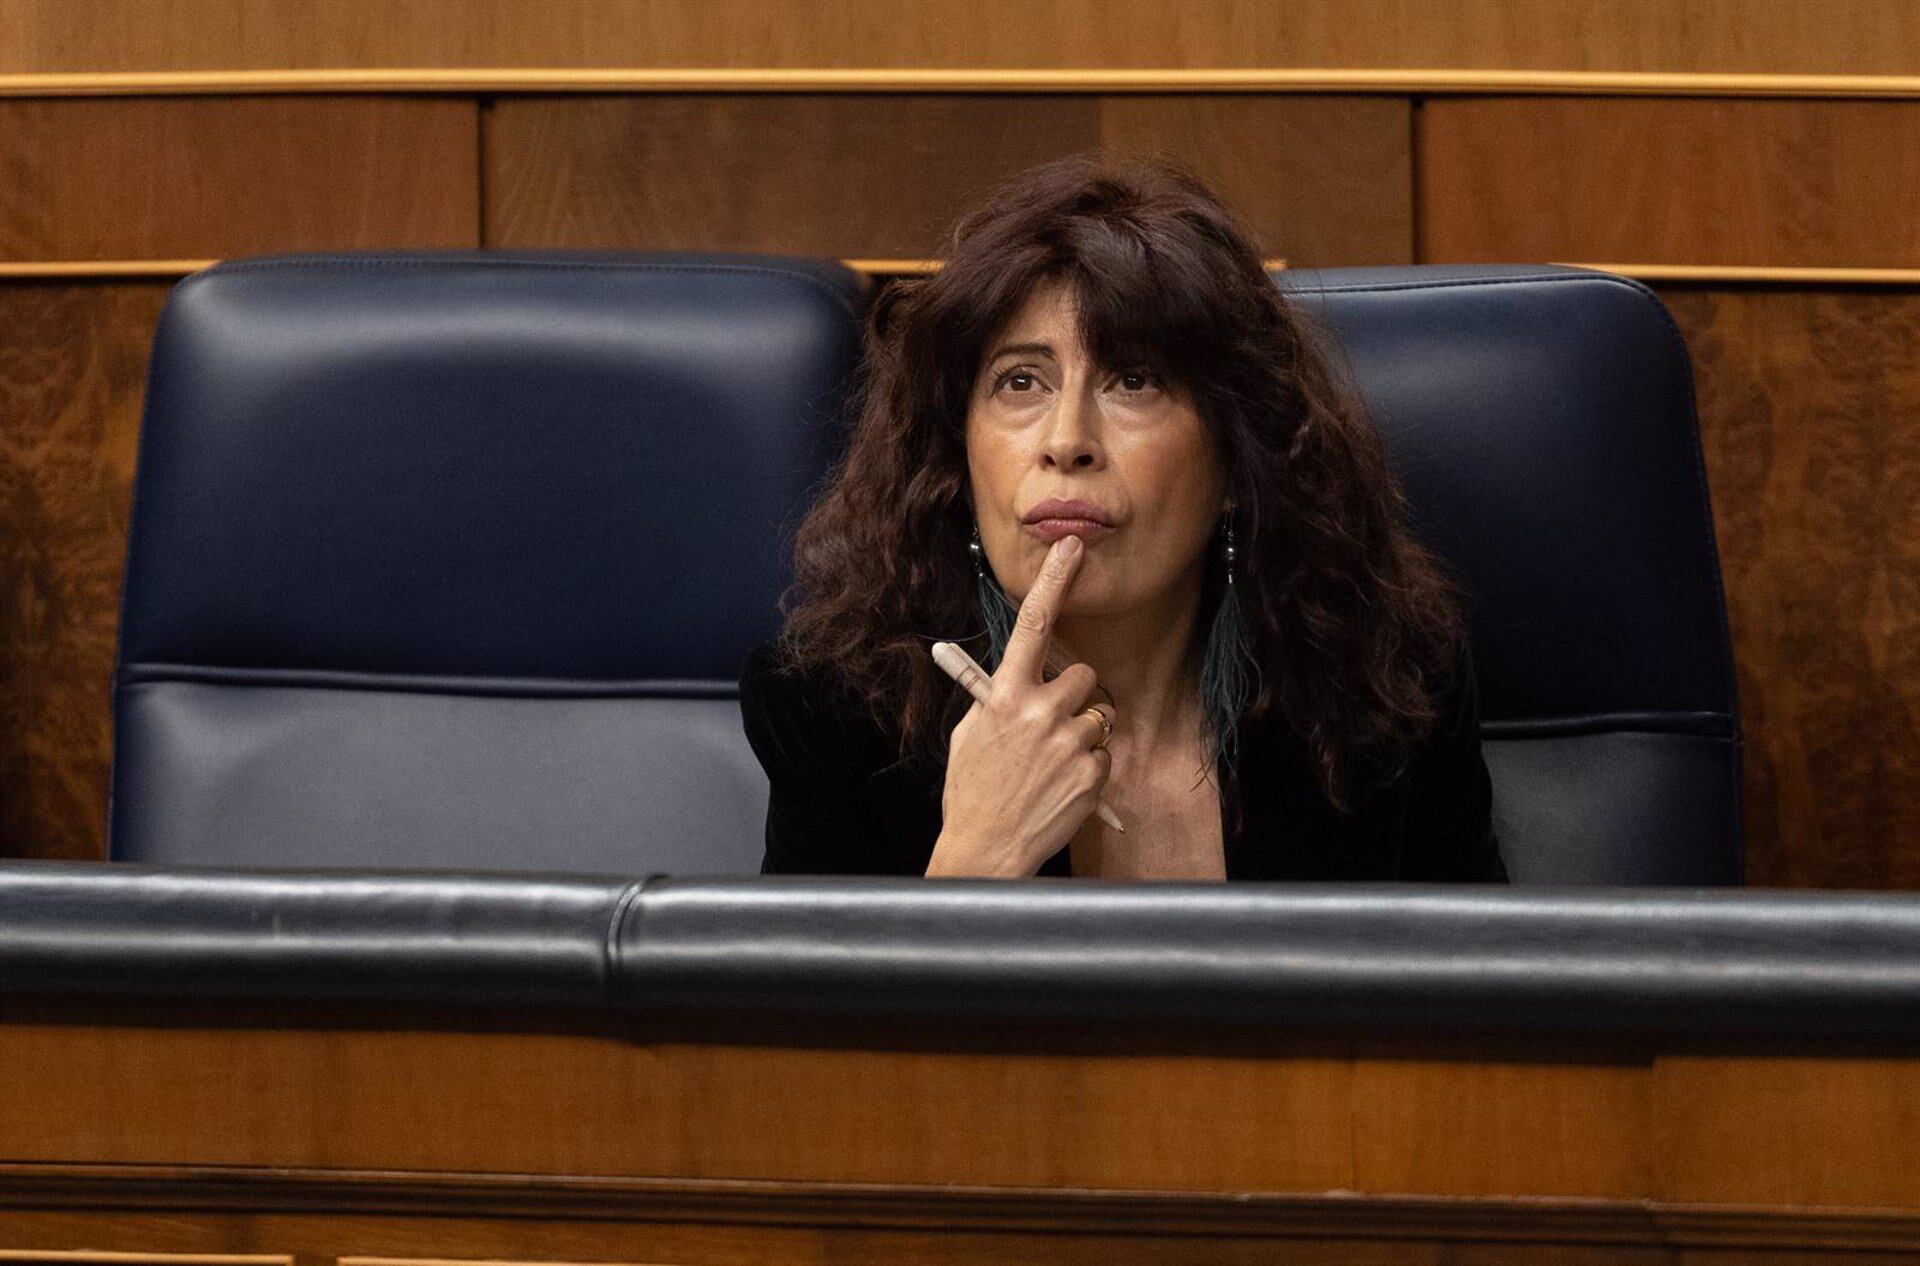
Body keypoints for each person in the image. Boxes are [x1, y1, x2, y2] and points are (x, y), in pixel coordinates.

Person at [739, 153, 1508, 883]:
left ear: (1238, 463)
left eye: (1134, 381)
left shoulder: (1382, 688)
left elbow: (1486, 1009)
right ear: (958, 458)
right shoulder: (838, 711)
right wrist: (976, 858)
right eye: (1020, 382)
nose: (1067, 440)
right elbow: (811, 1025)